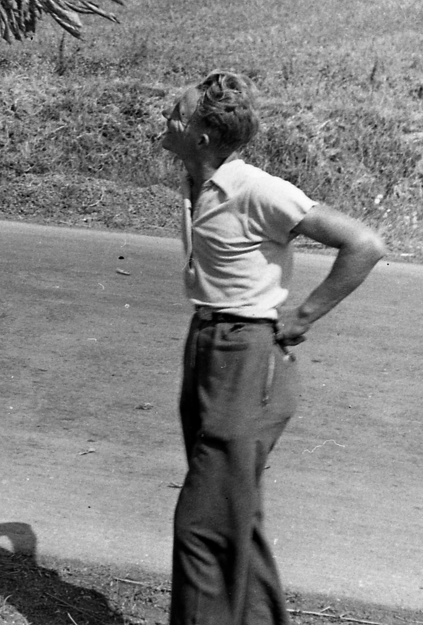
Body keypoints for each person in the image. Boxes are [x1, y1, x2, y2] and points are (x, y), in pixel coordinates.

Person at [159, 71, 385, 625]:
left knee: (202, 524)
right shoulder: (199, 185)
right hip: (209, 345)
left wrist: (303, 315)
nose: (167, 117)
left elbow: (364, 243)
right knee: (234, 511)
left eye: (178, 112)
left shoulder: (255, 187)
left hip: (246, 357)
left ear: (203, 136)